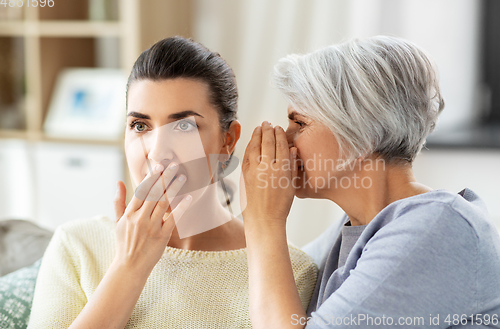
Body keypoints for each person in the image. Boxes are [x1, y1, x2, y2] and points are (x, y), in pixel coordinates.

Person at [28, 37, 317, 329]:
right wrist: (129, 266)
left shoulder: (291, 271)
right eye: (140, 126)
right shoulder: (78, 246)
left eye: (184, 126)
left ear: (227, 140)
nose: (156, 151)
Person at [241, 36, 500, 328]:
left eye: (299, 123)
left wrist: (264, 220)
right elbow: (253, 288)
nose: (285, 141)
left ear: (363, 134)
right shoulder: (352, 231)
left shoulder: (440, 228)